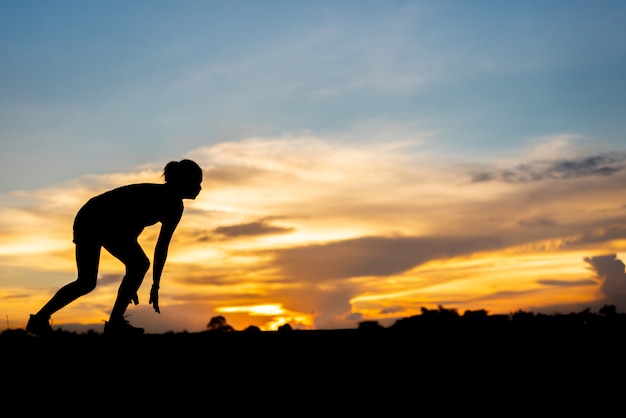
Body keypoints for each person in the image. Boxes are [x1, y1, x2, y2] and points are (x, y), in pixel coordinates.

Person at [26, 159, 203, 336]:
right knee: (122, 270)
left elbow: (148, 239)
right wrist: (139, 280)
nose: (200, 188)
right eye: (197, 183)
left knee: (91, 281)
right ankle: (114, 323)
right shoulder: (159, 198)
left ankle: (39, 320)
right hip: (92, 217)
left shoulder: (174, 207)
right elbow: (138, 234)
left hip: (98, 219)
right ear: (183, 182)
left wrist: (143, 283)